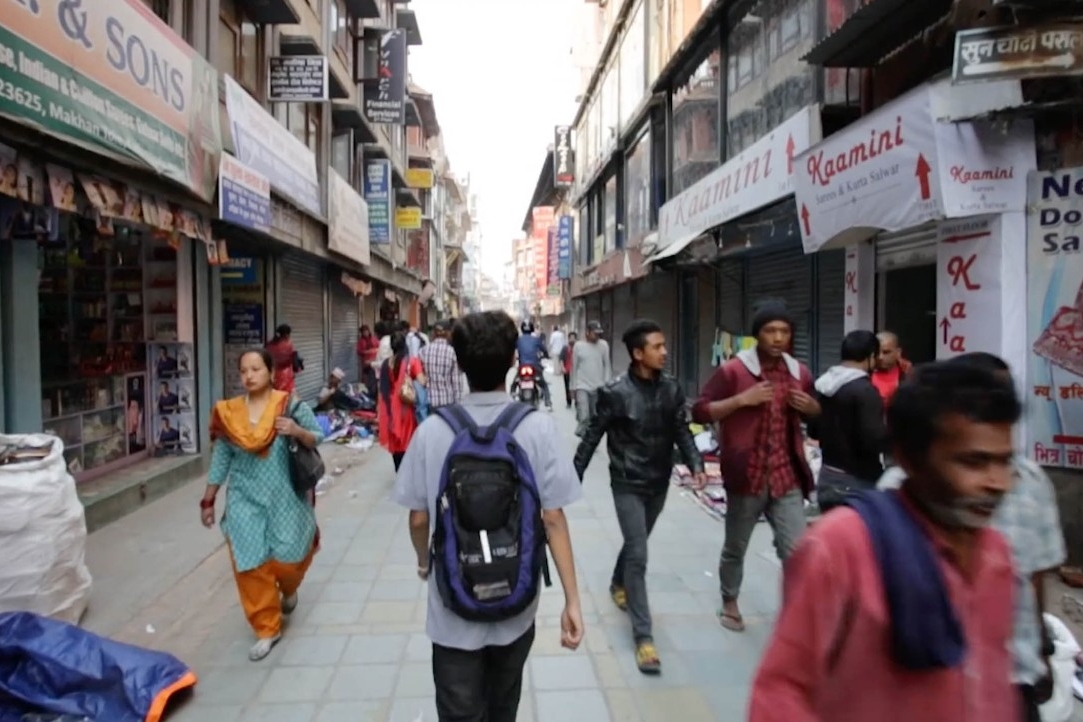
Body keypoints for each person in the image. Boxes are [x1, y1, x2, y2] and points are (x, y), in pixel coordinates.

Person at [749, 360, 1021, 722]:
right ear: (910, 459)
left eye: (1005, 462)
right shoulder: (840, 549)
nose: (997, 482)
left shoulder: (996, 555)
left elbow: (991, 682)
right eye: (974, 462)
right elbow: (780, 692)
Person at [392, 310, 584, 722]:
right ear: (514, 360)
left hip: (452, 609)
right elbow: (553, 518)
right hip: (516, 602)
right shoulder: (537, 427)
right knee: (503, 705)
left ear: (458, 363)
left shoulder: (432, 431)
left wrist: (424, 562)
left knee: (459, 710)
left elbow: (418, 520)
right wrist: (572, 600)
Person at [879, 352, 1066, 722]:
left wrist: (1040, 648)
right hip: (923, 681)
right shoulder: (889, 500)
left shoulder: (1032, 483)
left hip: (1012, 674)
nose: (996, 482)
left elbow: (1034, 575)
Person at [574, 319, 705, 675]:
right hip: (627, 482)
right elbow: (592, 436)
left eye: (664, 346)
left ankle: (618, 582)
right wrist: (574, 474)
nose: (664, 352)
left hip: (659, 481)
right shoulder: (615, 392)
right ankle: (643, 637)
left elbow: (681, 429)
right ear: (637, 353)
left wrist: (695, 463)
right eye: (657, 347)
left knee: (637, 543)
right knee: (639, 553)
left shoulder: (672, 389)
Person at [691, 303, 820, 632]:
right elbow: (700, 411)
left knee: (796, 550)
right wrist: (740, 401)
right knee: (736, 545)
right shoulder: (734, 371)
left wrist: (812, 408)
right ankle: (729, 600)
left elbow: (817, 418)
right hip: (747, 475)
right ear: (757, 334)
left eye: (784, 331)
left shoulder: (799, 373)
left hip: (786, 475)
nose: (778, 338)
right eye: (770, 331)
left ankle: (798, 610)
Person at [201, 348, 323, 661]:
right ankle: (267, 628)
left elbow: (318, 436)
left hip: (284, 496)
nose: (249, 375)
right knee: (250, 562)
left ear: (269, 371)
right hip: (244, 499)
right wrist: (209, 498)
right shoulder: (229, 414)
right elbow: (221, 457)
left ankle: (289, 588)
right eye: (244, 370)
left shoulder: (289, 404)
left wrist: (295, 430)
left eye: (256, 369)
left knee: (289, 559)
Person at [806, 330, 888, 513]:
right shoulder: (866, 391)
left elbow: (813, 431)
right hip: (857, 482)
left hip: (827, 478)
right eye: (877, 355)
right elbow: (872, 439)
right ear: (870, 357)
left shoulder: (823, 386)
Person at [378, 332, 426, 471]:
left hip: (390, 409)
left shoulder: (387, 363)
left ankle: (399, 473)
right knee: (409, 441)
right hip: (406, 407)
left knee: (396, 443)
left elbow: (382, 389)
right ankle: (410, 474)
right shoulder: (412, 361)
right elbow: (422, 381)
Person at [572, 321, 612, 436]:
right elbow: (574, 368)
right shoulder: (578, 346)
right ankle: (582, 427)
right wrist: (572, 387)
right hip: (582, 386)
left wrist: (607, 384)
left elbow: (607, 366)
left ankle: (585, 433)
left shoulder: (603, 345)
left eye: (599, 334)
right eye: (595, 333)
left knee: (594, 416)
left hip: (598, 386)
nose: (597, 336)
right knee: (584, 415)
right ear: (587, 333)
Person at [417, 319, 463, 409]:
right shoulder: (452, 352)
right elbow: (456, 383)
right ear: (448, 333)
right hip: (447, 402)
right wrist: (458, 404)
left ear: (434, 333)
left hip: (427, 401)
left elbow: (419, 376)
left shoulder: (423, 351)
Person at [514, 320, 552, 410]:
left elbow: (512, 350)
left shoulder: (518, 340)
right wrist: (546, 356)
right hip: (535, 366)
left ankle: (512, 396)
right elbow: (544, 350)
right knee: (544, 384)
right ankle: (548, 403)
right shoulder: (536, 340)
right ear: (532, 329)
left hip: (522, 366)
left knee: (514, 383)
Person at [870, 331, 912, 404]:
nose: (880, 357)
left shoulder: (909, 374)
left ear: (898, 352)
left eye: (886, 352)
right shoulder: (864, 374)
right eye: (877, 352)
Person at [265, 324, 299, 395]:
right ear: (287, 335)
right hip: (285, 379)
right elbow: (291, 361)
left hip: (272, 378)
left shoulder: (269, 345)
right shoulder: (288, 344)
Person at [357, 325, 380, 394]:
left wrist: (374, 351)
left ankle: (374, 392)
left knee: (375, 378)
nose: (365, 333)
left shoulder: (374, 338)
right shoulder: (361, 341)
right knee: (367, 379)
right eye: (363, 332)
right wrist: (367, 352)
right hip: (366, 363)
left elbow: (379, 347)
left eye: (366, 331)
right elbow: (359, 351)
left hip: (375, 361)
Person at [560, 332, 577, 408]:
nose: (572, 339)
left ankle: (577, 402)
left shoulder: (578, 348)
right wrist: (562, 367)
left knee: (577, 387)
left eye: (574, 338)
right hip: (567, 370)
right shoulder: (565, 348)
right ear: (568, 339)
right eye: (571, 338)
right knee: (567, 387)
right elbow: (561, 359)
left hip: (576, 371)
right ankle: (569, 402)